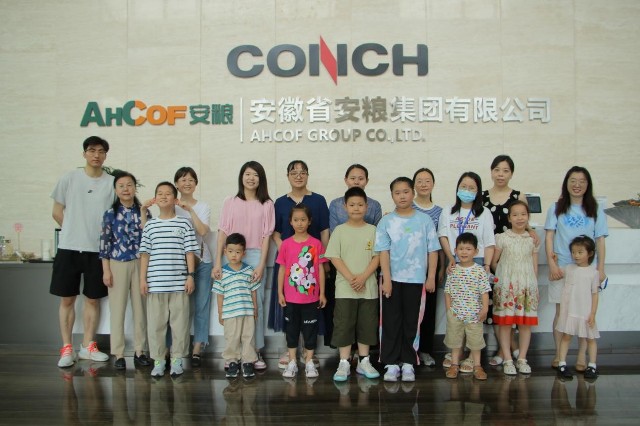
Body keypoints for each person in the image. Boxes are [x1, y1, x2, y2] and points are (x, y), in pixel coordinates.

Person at [50, 136, 114, 368]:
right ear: (84, 153)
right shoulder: (69, 178)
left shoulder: (112, 183)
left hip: (98, 251)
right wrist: (73, 230)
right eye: (92, 150)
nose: (96, 155)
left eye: (101, 151)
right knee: (67, 299)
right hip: (69, 248)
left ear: (106, 155)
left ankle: (88, 346)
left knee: (93, 299)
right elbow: (57, 211)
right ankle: (67, 347)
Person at [375, 177, 440, 383]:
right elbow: (383, 252)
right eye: (397, 192)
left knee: (413, 321)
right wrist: (386, 279)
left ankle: (409, 361)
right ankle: (391, 363)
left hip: (416, 280)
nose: (402, 196)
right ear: (392, 195)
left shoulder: (424, 220)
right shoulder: (386, 221)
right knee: (390, 321)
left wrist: (431, 277)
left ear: (412, 193)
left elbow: (433, 250)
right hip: (392, 280)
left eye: (405, 191)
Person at [213, 161, 274, 370]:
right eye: (247, 174)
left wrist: (261, 264)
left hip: (255, 255)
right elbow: (222, 232)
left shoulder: (267, 204)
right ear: (241, 177)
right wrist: (218, 262)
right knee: (233, 306)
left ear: (261, 179)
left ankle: (254, 351)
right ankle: (233, 353)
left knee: (256, 306)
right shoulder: (230, 201)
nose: (251, 178)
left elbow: (266, 236)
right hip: (231, 256)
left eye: (255, 175)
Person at [545, 166, 607, 372]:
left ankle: (581, 356)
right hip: (562, 268)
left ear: (588, 184)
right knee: (561, 312)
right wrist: (552, 264)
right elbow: (549, 237)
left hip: (586, 270)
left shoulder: (595, 209)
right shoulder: (556, 207)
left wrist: (600, 269)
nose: (577, 185)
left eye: (582, 181)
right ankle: (559, 354)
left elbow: (600, 241)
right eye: (573, 180)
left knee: (584, 312)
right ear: (567, 183)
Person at [269, 160, 330, 368]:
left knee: (311, 308)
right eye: (294, 172)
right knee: (290, 309)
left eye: (302, 172)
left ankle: (309, 352)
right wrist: (287, 252)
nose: (298, 176)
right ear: (287, 176)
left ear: (307, 175)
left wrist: (324, 259)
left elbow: (324, 231)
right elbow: (275, 232)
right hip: (289, 265)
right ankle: (291, 351)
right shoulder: (280, 202)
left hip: (313, 265)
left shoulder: (318, 200)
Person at [482, 155, 538, 366]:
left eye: (505, 170)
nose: (501, 174)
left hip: (515, 255)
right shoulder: (483, 196)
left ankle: (506, 351)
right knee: (497, 309)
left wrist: (531, 231)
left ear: (511, 173)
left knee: (513, 309)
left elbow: (524, 218)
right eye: (497, 170)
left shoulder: (517, 195)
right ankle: (505, 350)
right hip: (493, 255)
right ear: (491, 172)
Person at [438, 171, 495, 372]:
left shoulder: (484, 213)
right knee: (457, 308)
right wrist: (451, 258)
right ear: (457, 188)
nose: (467, 190)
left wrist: (486, 266)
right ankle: (457, 351)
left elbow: (489, 242)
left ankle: (472, 355)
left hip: (477, 263)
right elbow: (443, 236)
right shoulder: (448, 211)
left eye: (472, 187)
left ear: (478, 191)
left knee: (475, 311)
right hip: (455, 262)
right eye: (463, 186)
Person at [139, 182, 198, 378]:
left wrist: (191, 276)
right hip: (155, 285)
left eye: (168, 193)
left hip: (179, 285)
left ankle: (177, 360)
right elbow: (145, 254)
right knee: (156, 326)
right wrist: (142, 279)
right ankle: (158, 361)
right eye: (160, 194)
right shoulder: (150, 225)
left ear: (175, 199)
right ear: (155, 199)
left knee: (180, 325)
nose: (164, 196)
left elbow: (190, 252)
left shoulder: (184, 223)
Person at [325, 187, 381, 381]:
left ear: (367, 206)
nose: (356, 208)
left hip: (368, 288)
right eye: (352, 205)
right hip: (344, 288)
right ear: (345, 207)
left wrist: (363, 277)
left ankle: (364, 361)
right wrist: (351, 278)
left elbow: (377, 257)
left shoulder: (373, 230)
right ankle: (344, 362)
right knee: (344, 324)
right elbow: (334, 257)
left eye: (360, 205)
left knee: (367, 324)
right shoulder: (339, 231)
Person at [99, 171, 150, 370]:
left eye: (129, 185)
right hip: (117, 263)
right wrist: (106, 270)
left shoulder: (144, 212)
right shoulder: (110, 214)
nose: (126, 189)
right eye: (121, 186)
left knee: (141, 309)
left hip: (140, 263)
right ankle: (119, 354)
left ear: (135, 188)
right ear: (115, 190)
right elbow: (104, 244)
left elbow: (149, 238)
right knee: (117, 310)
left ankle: (140, 351)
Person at [276, 204, 328, 379]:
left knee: (310, 330)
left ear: (309, 221)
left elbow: (320, 269)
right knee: (291, 330)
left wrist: (322, 293)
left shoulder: (316, 244)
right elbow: (282, 269)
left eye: (303, 220)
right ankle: (292, 361)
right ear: (290, 222)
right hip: (290, 298)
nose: (299, 223)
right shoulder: (285, 244)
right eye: (296, 220)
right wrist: (280, 293)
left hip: (311, 299)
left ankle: (309, 361)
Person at [490, 201, 539, 376]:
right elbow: (494, 262)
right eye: (515, 215)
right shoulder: (502, 238)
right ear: (509, 218)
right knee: (505, 324)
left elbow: (534, 266)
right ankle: (508, 359)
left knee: (525, 325)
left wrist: (532, 286)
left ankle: (522, 358)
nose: (520, 218)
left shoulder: (532, 240)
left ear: (528, 217)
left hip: (526, 287)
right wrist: (503, 278)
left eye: (523, 214)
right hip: (507, 287)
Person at [173, 167, 213, 368]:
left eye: (191, 180)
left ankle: (198, 347)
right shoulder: (170, 205)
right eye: (183, 179)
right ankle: (174, 347)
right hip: (177, 264)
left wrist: (190, 210)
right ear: (176, 184)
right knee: (177, 308)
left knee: (201, 306)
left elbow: (203, 231)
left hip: (202, 261)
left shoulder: (203, 206)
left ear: (196, 184)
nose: (187, 183)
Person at [443, 233, 491, 381]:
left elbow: (484, 292)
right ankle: (454, 364)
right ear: (455, 251)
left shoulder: (480, 271)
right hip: (456, 313)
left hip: (474, 314)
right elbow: (447, 291)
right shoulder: (453, 270)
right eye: (461, 248)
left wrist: (485, 309)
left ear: (476, 251)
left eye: (468, 249)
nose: (464, 252)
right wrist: (449, 310)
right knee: (455, 341)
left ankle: (477, 366)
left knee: (475, 342)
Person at [212, 233, 260, 379]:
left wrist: (255, 308)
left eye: (238, 252)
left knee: (248, 337)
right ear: (225, 251)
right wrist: (220, 313)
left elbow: (253, 291)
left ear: (244, 253)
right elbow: (219, 295)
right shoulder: (222, 273)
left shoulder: (249, 270)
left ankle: (247, 362)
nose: (234, 255)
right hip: (229, 313)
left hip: (247, 312)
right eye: (231, 251)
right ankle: (232, 361)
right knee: (232, 338)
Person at [556, 236, 600, 380]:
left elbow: (595, 294)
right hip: (570, 311)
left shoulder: (593, 273)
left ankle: (592, 365)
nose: (576, 255)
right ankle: (562, 364)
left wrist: (593, 313)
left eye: (580, 252)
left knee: (590, 338)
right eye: (574, 252)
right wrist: (554, 262)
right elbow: (555, 275)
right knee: (566, 336)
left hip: (585, 311)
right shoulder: (569, 268)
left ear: (590, 253)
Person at [412, 167, 444, 367]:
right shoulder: (407, 206)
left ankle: (425, 350)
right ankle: (409, 349)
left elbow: (440, 241)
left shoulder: (440, 212)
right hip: (410, 265)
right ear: (414, 185)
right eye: (419, 181)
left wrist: (440, 268)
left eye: (427, 181)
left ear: (433, 184)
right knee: (411, 309)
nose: (423, 184)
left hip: (431, 265)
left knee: (429, 309)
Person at [328, 164, 382, 231]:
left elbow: (378, 232)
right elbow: (333, 232)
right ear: (346, 180)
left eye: (361, 179)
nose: (356, 182)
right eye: (352, 178)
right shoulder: (335, 204)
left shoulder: (375, 205)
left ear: (367, 181)